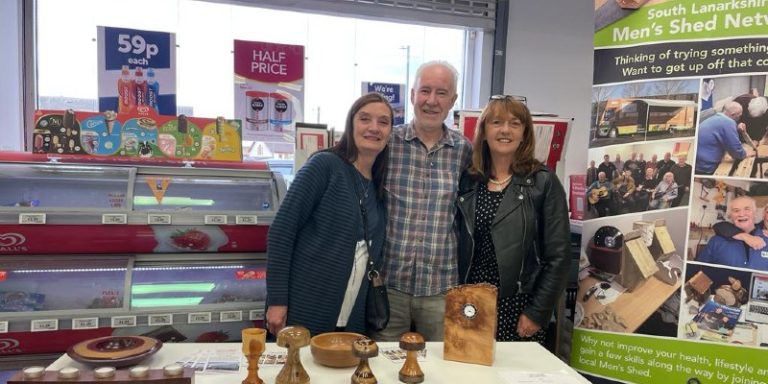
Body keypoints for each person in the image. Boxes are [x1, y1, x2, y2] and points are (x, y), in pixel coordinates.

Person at [266, 93, 394, 336]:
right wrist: (277, 300)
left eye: (383, 122)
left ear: (390, 133)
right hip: (306, 308)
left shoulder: (378, 186)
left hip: (352, 316)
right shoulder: (324, 166)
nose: (374, 128)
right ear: (351, 124)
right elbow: (282, 233)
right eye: (365, 119)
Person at [455, 97, 570, 343]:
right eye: (496, 122)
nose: (505, 130)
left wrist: (537, 312)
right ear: (484, 131)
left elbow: (558, 257)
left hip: (519, 306)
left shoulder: (543, 182)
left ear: (524, 134)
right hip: (470, 301)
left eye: (514, 124)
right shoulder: (469, 180)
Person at [377, 61, 473, 341]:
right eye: (425, 91)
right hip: (389, 287)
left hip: (441, 289)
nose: (431, 101)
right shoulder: (387, 143)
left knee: (441, 370)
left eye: (441, 93)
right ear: (412, 95)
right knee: (383, 366)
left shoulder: (464, 150)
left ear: (453, 100)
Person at [698, 196, 768, 271]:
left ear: (755, 213)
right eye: (736, 210)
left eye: (747, 209)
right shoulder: (716, 241)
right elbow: (699, 270)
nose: (741, 214)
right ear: (730, 216)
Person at [695, 101, 754, 175]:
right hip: (706, 167)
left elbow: (723, 133)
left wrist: (736, 128)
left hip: (699, 163)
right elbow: (735, 149)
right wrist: (745, 154)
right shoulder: (728, 122)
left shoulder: (714, 118)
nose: (739, 118)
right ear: (733, 114)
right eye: (739, 116)